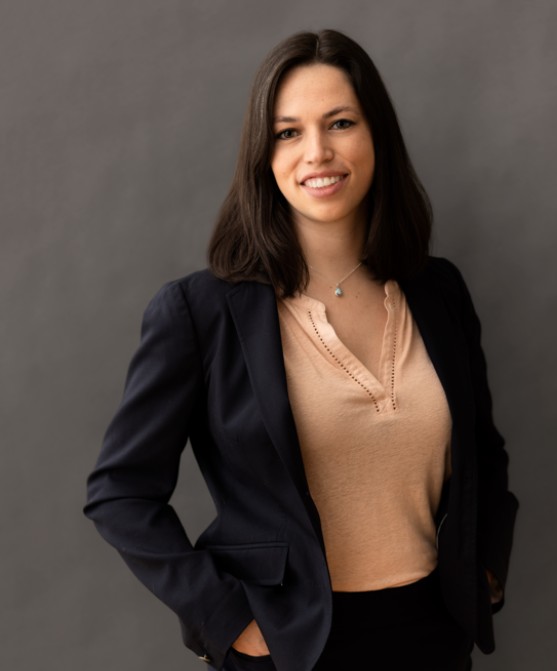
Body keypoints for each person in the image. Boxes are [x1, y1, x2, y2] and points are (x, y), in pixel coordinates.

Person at [85, 29, 518, 671]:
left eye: (340, 122)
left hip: (432, 636)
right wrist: (227, 618)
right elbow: (119, 492)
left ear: (377, 138)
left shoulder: (439, 291)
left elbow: (485, 451)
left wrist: (484, 572)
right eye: (288, 132)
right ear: (264, 154)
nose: (317, 151)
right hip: (291, 647)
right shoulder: (200, 314)